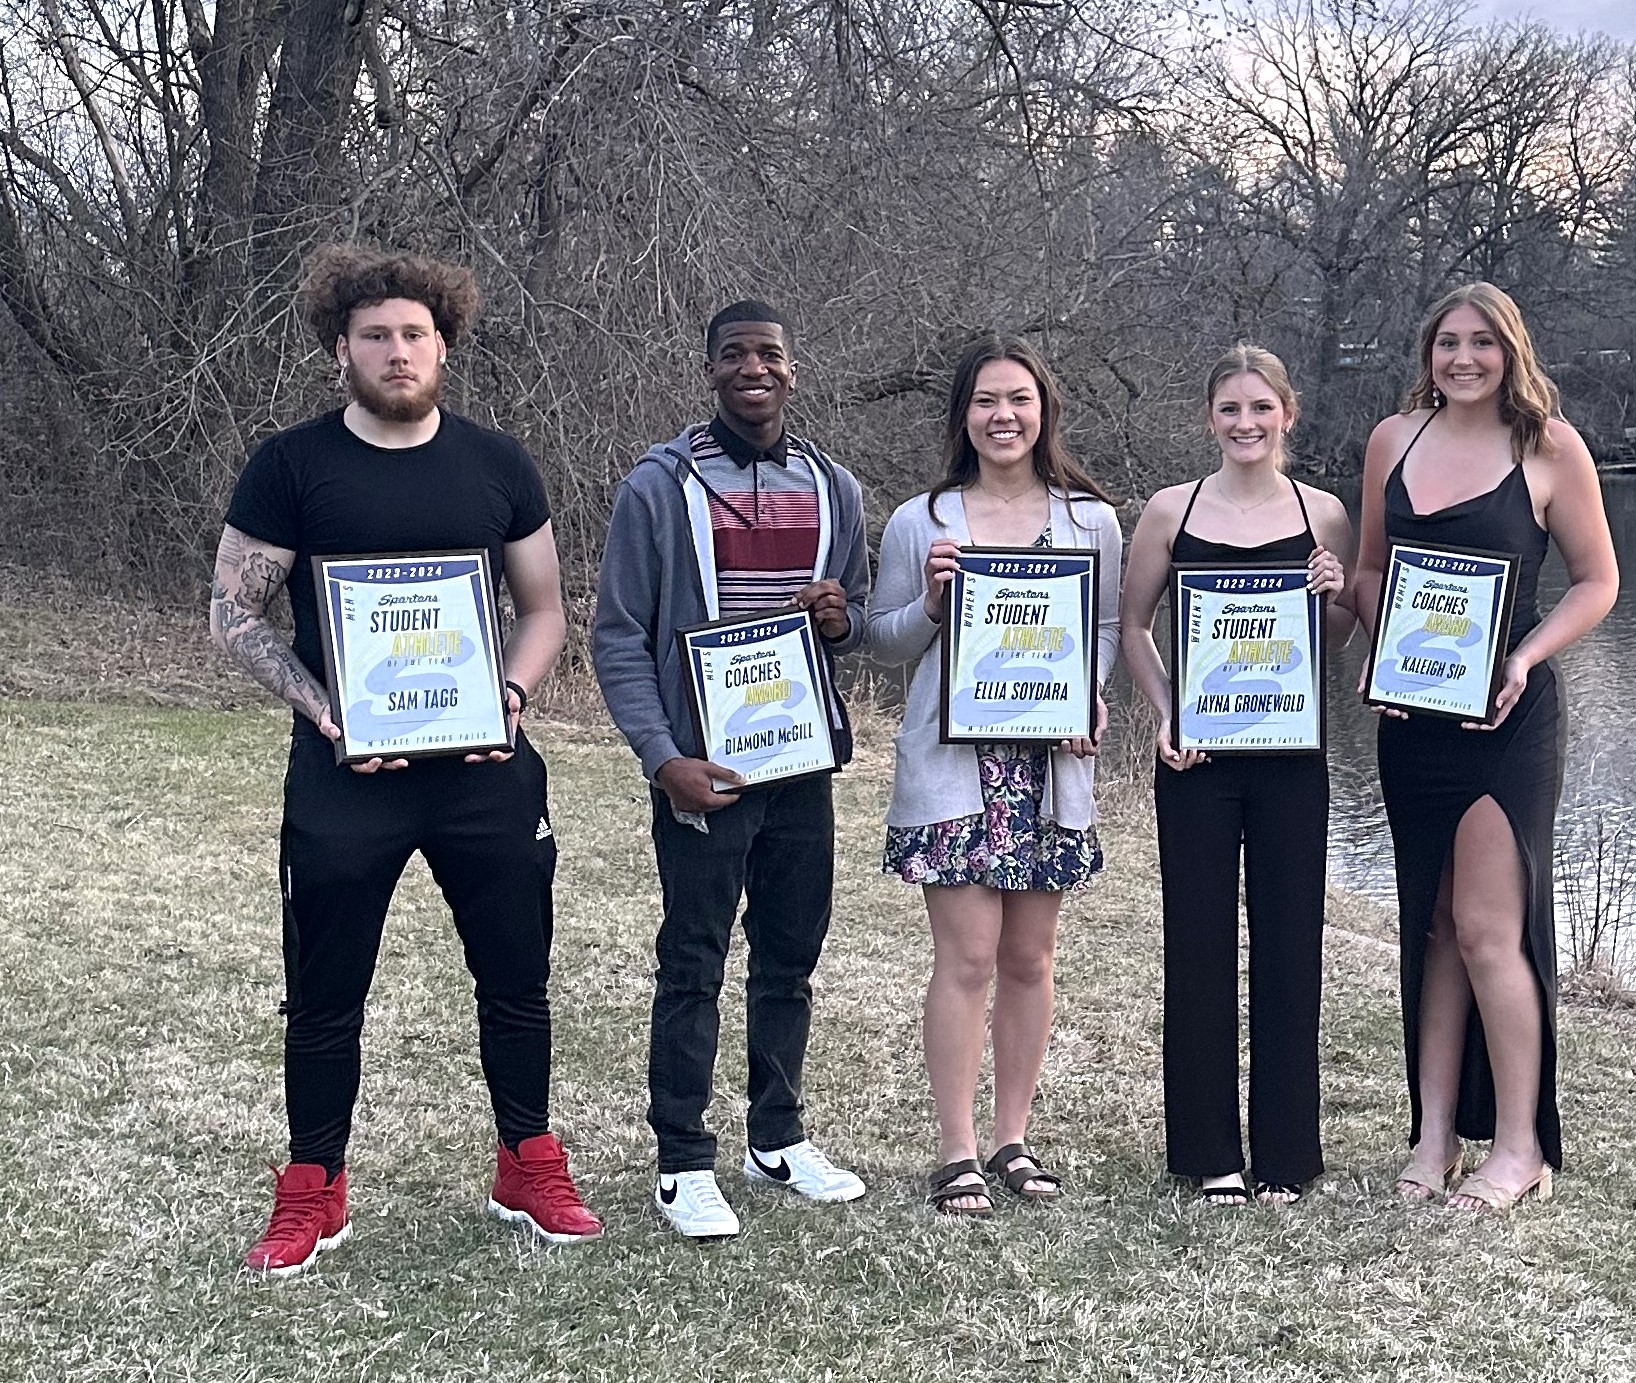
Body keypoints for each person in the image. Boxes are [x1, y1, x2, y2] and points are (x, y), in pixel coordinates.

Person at [210, 243, 601, 1276]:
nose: (395, 352)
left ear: (444, 346)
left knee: (515, 980)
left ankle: (526, 1161)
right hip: (347, 777)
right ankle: (314, 1190)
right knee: (327, 991)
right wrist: (325, 710)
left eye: (413, 335)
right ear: (339, 347)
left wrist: (509, 696)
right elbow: (232, 612)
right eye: (374, 335)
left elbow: (545, 608)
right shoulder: (290, 465)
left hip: (484, 770)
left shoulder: (497, 463)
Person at [592, 300, 871, 1239]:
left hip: (800, 765)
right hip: (703, 769)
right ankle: (681, 1158)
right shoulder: (659, 487)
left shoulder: (836, 487)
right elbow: (620, 635)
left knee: (790, 956)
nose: (755, 369)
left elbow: (854, 623)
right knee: (694, 958)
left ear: (793, 370)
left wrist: (839, 621)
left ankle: (777, 1136)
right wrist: (661, 756)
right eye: (735, 356)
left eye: (771, 355)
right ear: (710, 370)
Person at [1355, 282, 1618, 1212]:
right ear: (1427, 352)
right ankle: (1431, 1138)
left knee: (1487, 930)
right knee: (1430, 928)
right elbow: (1373, 573)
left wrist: (1523, 654)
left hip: (1507, 719)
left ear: (1512, 350)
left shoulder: (1549, 447)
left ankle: (1520, 1146)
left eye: (1482, 343)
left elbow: (1598, 581)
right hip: (1411, 721)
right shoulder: (1395, 438)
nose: (1464, 358)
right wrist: (1373, 643)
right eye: (1447, 343)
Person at [866, 334, 1121, 1216]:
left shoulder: (1091, 519)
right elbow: (882, 636)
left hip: (1048, 768)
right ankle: (957, 1149)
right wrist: (932, 606)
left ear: (1043, 410)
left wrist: (1088, 695)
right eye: (985, 401)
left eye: (1018, 399)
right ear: (962, 416)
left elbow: (1109, 629)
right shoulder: (920, 519)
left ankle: (1014, 1138)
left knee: (1030, 956)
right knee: (966, 957)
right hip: (953, 768)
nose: (1002, 415)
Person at [1120, 345, 1353, 1206]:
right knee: (1200, 947)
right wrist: (1165, 709)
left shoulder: (1324, 513)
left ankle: (1288, 1155)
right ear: (1208, 417)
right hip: (1199, 760)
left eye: (1261, 407)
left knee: (1292, 948)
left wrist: (1335, 597)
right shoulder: (1169, 511)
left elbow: (1337, 639)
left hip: (1293, 762)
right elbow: (1131, 626)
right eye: (1230, 408)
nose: (1246, 423)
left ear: (1288, 413)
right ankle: (1209, 1152)